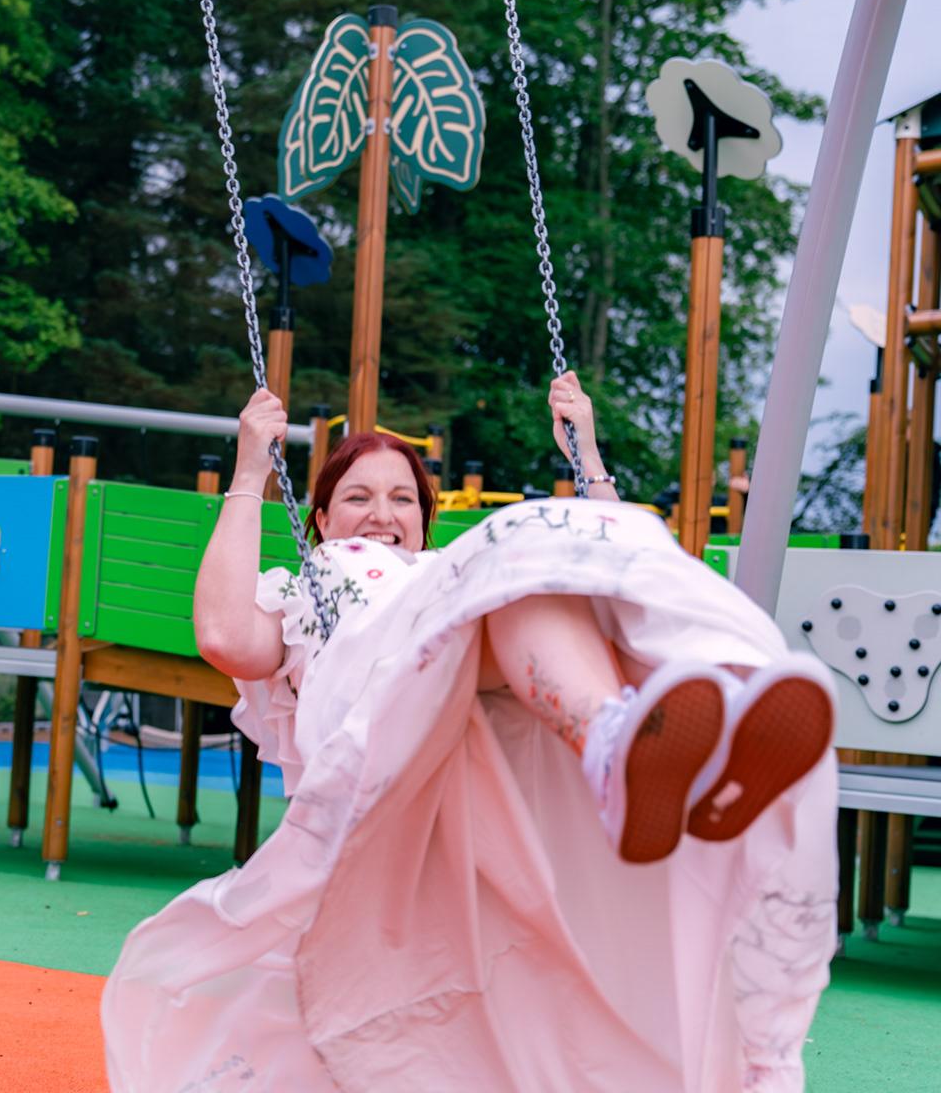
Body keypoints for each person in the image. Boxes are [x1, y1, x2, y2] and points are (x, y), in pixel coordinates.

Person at [102, 374, 838, 1093]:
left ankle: (622, 747)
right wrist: (250, 472)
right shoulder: (312, 591)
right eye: (356, 498)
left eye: (401, 499)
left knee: (536, 572)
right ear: (320, 523)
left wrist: (587, 457)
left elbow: (616, 569)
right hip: (372, 709)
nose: (381, 513)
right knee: (516, 557)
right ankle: (647, 751)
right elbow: (226, 635)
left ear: (425, 524)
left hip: (472, 748)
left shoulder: (447, 583)